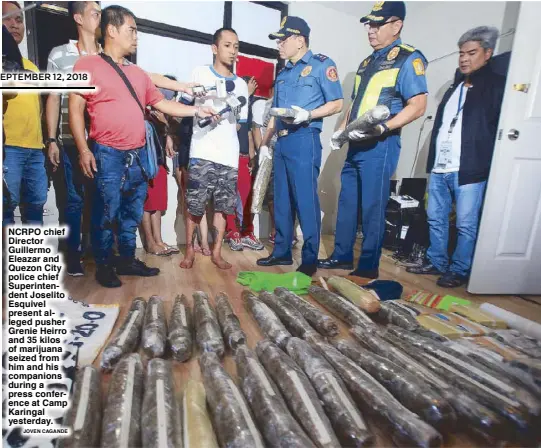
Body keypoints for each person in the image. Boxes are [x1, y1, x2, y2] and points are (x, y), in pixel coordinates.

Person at [70, 5, 215, 288]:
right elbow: (75, 109)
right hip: (107, 153)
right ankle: (104, 265)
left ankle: (126, 259)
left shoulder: (138, 73)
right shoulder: (86, 66)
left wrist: (198, 111)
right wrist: (84, 150)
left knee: (131, 213)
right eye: (132, 30)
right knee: (105, 213)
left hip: (138, 155)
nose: (137, 36)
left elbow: (162, 103)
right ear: (112, 30)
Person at [318, 1, 428, 279]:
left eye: (378, 24)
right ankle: (342, 257)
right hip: (356, 144)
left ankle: (368, 265)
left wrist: (384, 129)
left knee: (372, 206)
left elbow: (418, 105)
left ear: (397, 25)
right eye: (369, 24)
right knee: (347, 202)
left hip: (381, 145)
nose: (371, 29)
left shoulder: (408, 58)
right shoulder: (367, 62)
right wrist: (340, 133)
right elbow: (355, 103)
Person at [407, 26, 505, 288]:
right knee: (435, 217)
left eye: (471, 53)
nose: (464, 58)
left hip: (469, 168)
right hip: (441, 166)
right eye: (461, 53)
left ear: (487, 54)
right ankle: (437, 261)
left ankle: (460, 269)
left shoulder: (496, 87)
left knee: (465, 223)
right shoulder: (455, 87)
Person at [257, 16, 343, 277]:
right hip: (281, 140)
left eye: (283, 40)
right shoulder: (283, 73)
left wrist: (309, 114)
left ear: (300, 40)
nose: (279, 45)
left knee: (305, 200)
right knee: (281, 200)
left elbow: (337, 103)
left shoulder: (321, 66)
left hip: (304, 138)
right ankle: (281, 251)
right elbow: (275, 111)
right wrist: (264, 143)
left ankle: (309, 257)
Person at [179, 27, 249, 270]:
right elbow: (183, 105)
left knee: (223, 208)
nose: (233, 51)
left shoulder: (241, 85)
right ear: (214, 48)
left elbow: (240, 124)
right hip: (201, 152)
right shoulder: (199, 73)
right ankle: (190, 252)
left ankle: (217, 253)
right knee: (194, 207)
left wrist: (231, 112)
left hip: (228, 156)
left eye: (236, 47)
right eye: (228, 45)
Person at [2, 1, 47, 227]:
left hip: (35, 150)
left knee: (36, 207)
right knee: (5, 209)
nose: (14, 24)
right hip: (8, 147)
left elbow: (37, 108)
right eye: (8, 18)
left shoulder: (32, 67)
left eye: (19, 19)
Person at [225, 75, 264, 251]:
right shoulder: (231, 101)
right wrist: (245, 95)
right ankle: (233, 232)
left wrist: (252, 157)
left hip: (243, 157)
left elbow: (248, 132)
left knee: (249, 197)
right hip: (229, 155)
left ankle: (247, 232)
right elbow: (232, 124)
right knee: (231, 198)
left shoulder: (250, 106)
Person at [141, 85, 180, 256]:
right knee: (146, 205)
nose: (171, 101)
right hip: (147, 163)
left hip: (160, 163)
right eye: (170, 97)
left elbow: (172, 133)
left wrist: (167, 129)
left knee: (157, 205)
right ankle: (150, 243)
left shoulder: (162, 118)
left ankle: (159, 240)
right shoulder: (145, 114)